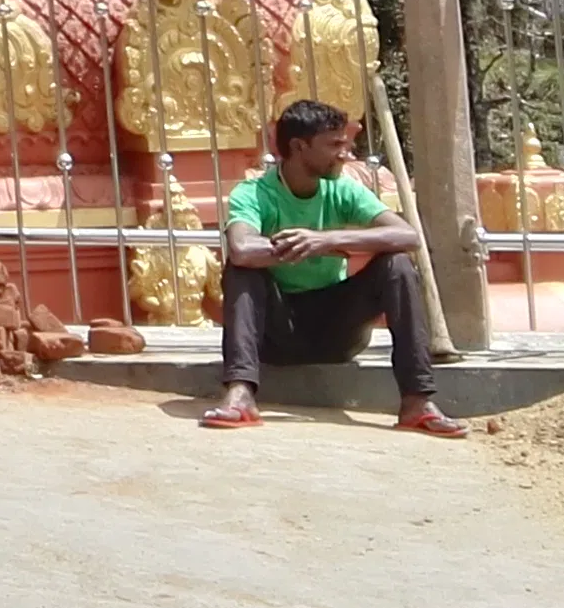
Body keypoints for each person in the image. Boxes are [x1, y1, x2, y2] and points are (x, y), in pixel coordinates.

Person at [196, 99, 460, 436]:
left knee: (397, 264)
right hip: (275, 333)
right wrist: (303, 248)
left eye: (346, 144)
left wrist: (322, 240)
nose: (345, 154)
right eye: (334, 145)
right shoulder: (253, 193)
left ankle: (416, 400)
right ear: (299, 146)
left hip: (337, 330)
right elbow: (243, 248)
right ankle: (240, 394)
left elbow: (406, 235)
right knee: (241, 271)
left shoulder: (343, 190)